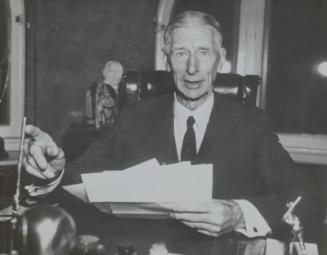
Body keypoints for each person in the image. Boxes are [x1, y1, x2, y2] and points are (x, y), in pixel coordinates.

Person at [23, 11, 324, 240]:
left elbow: (306, 199)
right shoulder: (133, 119)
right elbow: (85, 176)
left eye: (203, 53)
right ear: (166, 60)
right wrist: (55, 171)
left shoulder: (252, 124)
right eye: (181, 53)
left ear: (220, 60)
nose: (192, 68)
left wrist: (238, 214)